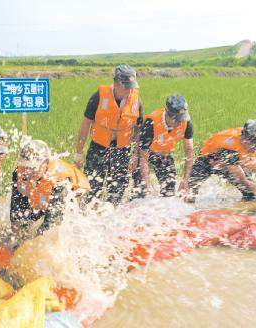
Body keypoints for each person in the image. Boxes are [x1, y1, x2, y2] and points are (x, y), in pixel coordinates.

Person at [74, 64, 143, 205]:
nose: (130, 90)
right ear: (116, 83)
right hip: (99, 147)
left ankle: (112, 216)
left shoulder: (136, 101)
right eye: (126, 87)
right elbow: (86, 124)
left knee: (118, 189)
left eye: (132, 87)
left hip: (122, 150)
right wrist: (79, 153)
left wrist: (135, 154)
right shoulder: (98, 96)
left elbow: (138, 130)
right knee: (92, 187)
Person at [10, 139, 90, 244]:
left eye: (33, 167)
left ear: (46, 163)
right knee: (24, 220)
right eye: (25, 166)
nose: (27, 172)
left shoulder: (60, 181)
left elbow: (52, 223)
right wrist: (15, 241)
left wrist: (32, 246)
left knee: (52, 230)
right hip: (44, 190)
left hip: (76, 194)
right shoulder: (20, 172)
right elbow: (16, 212)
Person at [187, 120, 256, 205]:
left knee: (252, 195)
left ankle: (239, 215)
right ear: (244, 140)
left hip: (231, 162)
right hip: (207, 160)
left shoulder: (253, 140)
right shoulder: (229, 149)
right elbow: (243, 181)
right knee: (189, 191)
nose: (255, 149)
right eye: (254, 145)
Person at [133, 94, 194, 198]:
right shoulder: (151, 123)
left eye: (181, 119)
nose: (180, 123)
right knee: (141, 191)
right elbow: (143, 158)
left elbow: (189, 151)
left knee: (169, 191)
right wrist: (147, 185)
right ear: (168, 114)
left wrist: (185, 180)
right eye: (177, 120)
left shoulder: (186, 122)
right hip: (144, 154)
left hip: (164, 156)